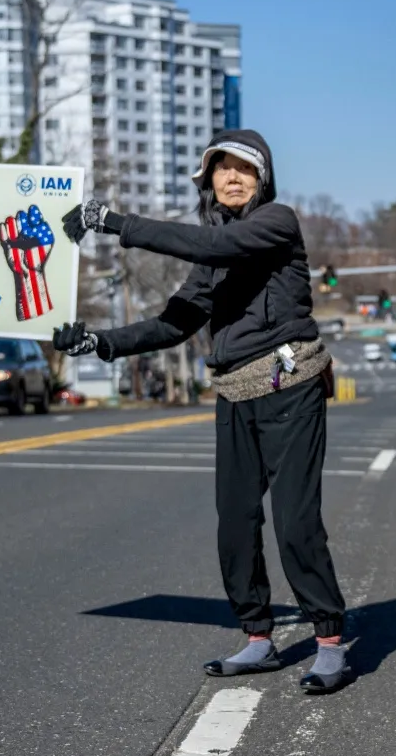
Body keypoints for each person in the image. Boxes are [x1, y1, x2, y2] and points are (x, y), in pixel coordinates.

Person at [52, 129, 352, 694]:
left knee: (295, 523)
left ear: (262, 179)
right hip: (235, 391)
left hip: (291, 385)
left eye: (243, 168)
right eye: (221, 169)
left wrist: (116, 222)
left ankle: (330, 641)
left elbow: (213, 247)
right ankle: (259, 638)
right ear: (208, 180)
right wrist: (99, 342)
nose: (232, 178)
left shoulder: (277, 223)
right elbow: (175, 321)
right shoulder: (210, 258)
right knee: (235, 524)